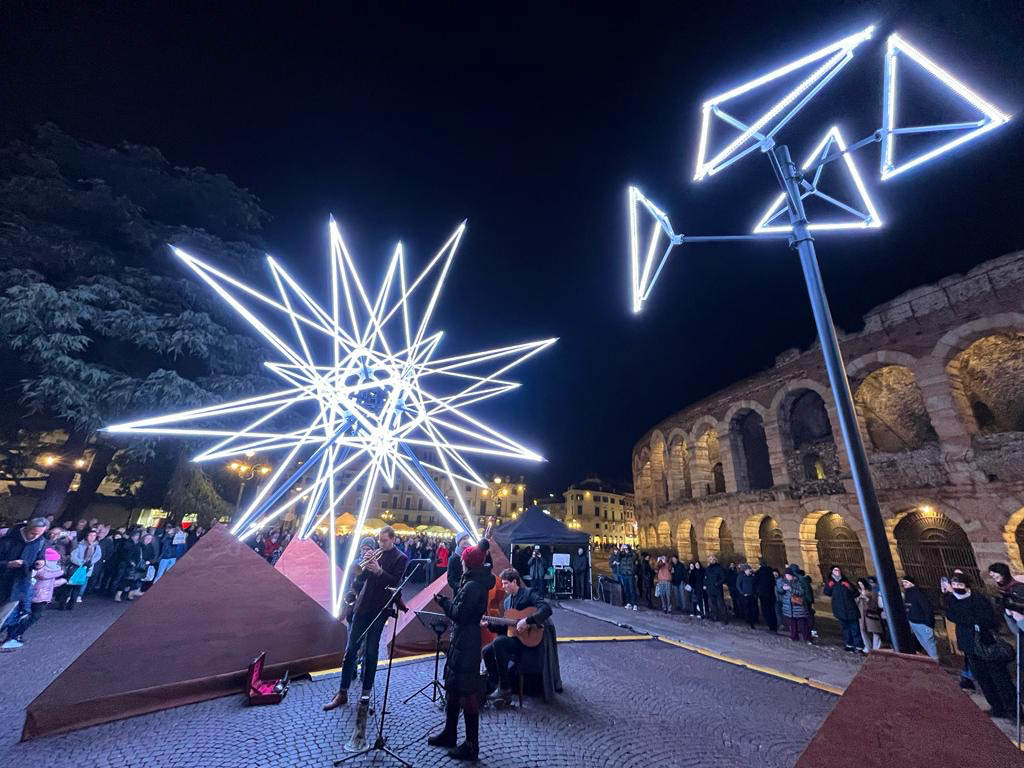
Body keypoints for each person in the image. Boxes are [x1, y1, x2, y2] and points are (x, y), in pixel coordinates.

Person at [323, 525, 408, 711]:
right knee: (351, 649)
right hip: (362, 607)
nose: (381, 543)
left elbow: (395, 582)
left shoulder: (400, 558)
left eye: (384, 540)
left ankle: (365, 694)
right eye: (379, 540)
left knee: (371, 652)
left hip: (380, 609)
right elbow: (359, 581)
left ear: (393, 540)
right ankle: (342, 692)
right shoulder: (376, 554)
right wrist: (362, 568)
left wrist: (378, 571)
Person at [429, 539, 494, 761]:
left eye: (463, 560)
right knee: (455, 687)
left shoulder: (473, 586)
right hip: (464, 639)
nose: (461, 563)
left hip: (467, 641)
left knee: (466, 691)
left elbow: (460, 614)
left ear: (468, 563)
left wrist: (444, 603)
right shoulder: (473, 582)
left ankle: (470, 744)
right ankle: (450, 732)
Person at [943, 572, 1017, 719]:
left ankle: (1013, 709)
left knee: (1000, 678)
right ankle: (997, 707)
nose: (957, 588)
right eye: (955, 585)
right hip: (969, 645)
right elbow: (951, 615)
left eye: (960, 585)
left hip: (986, 643)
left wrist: (968, 618)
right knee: (983, 679)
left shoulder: (978, 599)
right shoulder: (952, 600)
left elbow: (986, 619)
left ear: (967, 585)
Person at [482, 567, 552, 706]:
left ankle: (505, 688)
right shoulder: (507, 602)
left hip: (528, 643)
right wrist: (488, 624)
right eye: (502, 584)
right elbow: (505, 625)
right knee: (486, 651)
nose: (503, 586)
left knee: (499, 642)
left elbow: (546, 608)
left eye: (505, 583)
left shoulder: (528, 593)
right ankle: (493, 682)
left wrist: (527, 621)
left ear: (515, 582)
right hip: (514, 639)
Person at [2, 545, 66, 649]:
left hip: (42, 595)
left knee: (27, 616)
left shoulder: (53, 569)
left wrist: (59, 581)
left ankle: (14, 635)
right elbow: (42, 576)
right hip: (34, 595)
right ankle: (12, 636)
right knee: (20, 616)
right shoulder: (42, 567)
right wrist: (61, 574)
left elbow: (49, 582)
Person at [0, 519, 49, 641]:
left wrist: (41, 563)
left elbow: (41, 558)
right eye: (34, 533)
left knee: (3, 616)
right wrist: (8, 564)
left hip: (19, 584)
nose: (36, 536)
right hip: (2, 579)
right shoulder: (7, 538)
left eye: (40, 534)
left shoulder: (40, 542)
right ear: (27, 528)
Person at [900, 575, 937, 660]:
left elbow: (926, 608)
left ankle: (935, 662)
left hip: (922, 623)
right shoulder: (908, 593)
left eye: (906, 582)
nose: (904, 584)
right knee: (924, 643)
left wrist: (929, 623)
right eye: (903, 582)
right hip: (914, 622)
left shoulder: (918, 593)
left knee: (929, 645)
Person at [824, 566, 861, 652]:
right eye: (835, 570)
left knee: (855, 629)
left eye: (838, 570)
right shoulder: (831, 583)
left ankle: (859, 646)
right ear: (832, 572)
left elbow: (856, 593)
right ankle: (849, 644)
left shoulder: (845, 582)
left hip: (850, 609)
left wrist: (849, 587)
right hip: (840, 610)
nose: (837, 571)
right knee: (846, 629)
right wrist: (829, 586)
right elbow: (827, 592)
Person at [777, 565, 812, 643]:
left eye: (789, 575)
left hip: (798, 606)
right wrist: (782, 589)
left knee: (802, 623)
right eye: (786, 575)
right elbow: (780, 592)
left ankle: (807, 638)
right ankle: (794, 636)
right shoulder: (784, 582)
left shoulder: (798, 582)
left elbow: (801, 592)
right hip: (789, 607)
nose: (787, 577)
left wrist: (791, 589)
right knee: (792, 624)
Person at [68, 528, 102, 605]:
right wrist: (81, 562)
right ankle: (69, 595)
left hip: (88, 566)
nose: (92, 537)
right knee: (73, 579)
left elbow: (98, 556)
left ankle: (79, 595)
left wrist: (91, 562)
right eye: (90, 535)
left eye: (94, 536)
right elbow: (74, 555)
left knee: (84, 581)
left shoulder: (96, 546)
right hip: (78, 565)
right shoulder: (80, 545)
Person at [856, 578, 884, 652]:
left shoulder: (872, 592)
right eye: (859, 584)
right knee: (863, 630)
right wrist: (858, 598)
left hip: (870, 613)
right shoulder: (858, 592)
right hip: (861, 614)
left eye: (861, 584)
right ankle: (867, 647)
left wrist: (866, 598)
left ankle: (875, 647)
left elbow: (874, 604)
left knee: (874, 630)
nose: (861, 586)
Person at [753, 559, 778, 633]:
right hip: (771, 594)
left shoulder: (758, 573)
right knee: (772, 610)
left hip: (763, 595)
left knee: (766, 610)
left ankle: (770, 626)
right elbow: (773, 583)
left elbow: (754, 583)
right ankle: (774, 626)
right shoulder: (770, 572)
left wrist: (757, 592)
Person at [704, 555, 728, 624]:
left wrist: (717, 583)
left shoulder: (719, 568)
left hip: (717, 589)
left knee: (721, 604)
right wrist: (705, 585)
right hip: (710, 589)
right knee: (712, 604)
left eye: (712, 559)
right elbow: (705, 578)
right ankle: (714, 617)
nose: (711, 560)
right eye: (710, 559)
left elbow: (723, 578)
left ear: (715, 560)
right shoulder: (708, 569)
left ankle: (725, 619)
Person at [735, 563, 757, 628]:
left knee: (753, 608)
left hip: (752, 594)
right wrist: (742, 593)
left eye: (749, 569)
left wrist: (755, 592)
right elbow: (738, 585)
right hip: (745, 595)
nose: (748, 571)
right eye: (747, 569)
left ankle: (753, 620)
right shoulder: (741, 576)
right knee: (747, 608)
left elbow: (754, 584)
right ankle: (749, 620)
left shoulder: (752, 576)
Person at [616, 544, 638, 610]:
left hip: (630, 574)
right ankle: (628, 603)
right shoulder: (622, 555)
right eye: (624, 549)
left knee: (632, 589)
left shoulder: (632, 554)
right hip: (624, 574)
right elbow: (618, 558)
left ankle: (634, 604)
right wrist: (620, 550)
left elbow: (635, 558)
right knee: (626, 589)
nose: (624, 550)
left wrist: (628, 551)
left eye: (625, 549)